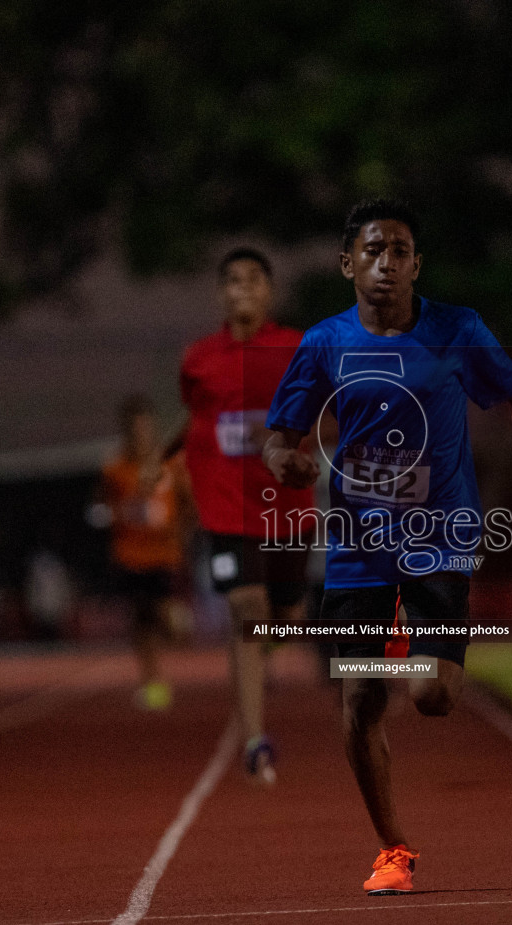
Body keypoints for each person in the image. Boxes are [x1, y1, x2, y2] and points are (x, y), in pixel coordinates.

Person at [263, 198, 512, 893]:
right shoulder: (324, 343)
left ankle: (416, 650)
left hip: (440, 536)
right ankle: (393, 851)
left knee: (432, 696)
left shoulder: (457, 330)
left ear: (416, 264)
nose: (384, 263)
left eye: (398, 251)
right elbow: (279, 438)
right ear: (346, 264)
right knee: (359, 702)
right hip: (358, 544)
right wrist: (287, 463)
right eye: (371, 250)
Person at [179, 248, 316, 784]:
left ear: (268, 291)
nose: (242, 289)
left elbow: (328, 413)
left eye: (253, 280)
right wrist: (170, 462)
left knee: (286, 619)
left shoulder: (296, 348)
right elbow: (196, 419)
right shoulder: (199, 359)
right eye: (232, 281)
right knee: (246, 609)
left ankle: (259, 658)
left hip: (286, 508)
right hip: (226, 508)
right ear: (221, 293)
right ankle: (255, 739)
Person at [98, 395, 194, 709]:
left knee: (166, 619)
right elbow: (107, 508)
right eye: (135, 429)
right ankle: (153, 684)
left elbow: (187, 504)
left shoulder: (169, 466)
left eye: (146, 428)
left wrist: (182, 534)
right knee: (141, 622)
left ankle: (180, 626)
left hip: (165, 554)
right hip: (130, 555)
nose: (141, 434)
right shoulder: (114, 470)